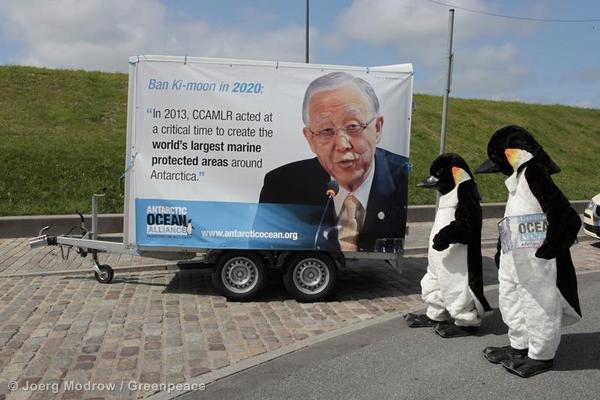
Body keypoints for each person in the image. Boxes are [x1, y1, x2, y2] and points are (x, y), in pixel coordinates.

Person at [254, 72, 409, 252]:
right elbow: (263, 245)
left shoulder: (401, 177)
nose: (342, 145)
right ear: (310, 139)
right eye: (326, 130)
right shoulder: (282, 185)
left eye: (353, 126)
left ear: (378, 128)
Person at [475, 125, 581, 378]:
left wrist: (548, 250)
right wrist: (503, 253)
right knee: (511, 298)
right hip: (516, 257)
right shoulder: (518, 180)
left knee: (538, 303)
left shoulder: (533, 172)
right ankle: (519, 345)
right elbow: (514, 220)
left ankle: (541, 355)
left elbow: (567, 218)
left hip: (536, 259)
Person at [405, 153, 491, 337]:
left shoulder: (466, 194)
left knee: (457, 284)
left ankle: (467, 321)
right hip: (440, 258)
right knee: (434, 280)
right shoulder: (449, 197)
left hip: (459, 259)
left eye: (439, 175)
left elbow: (469, 225)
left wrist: (446, 235)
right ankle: (436, 314)